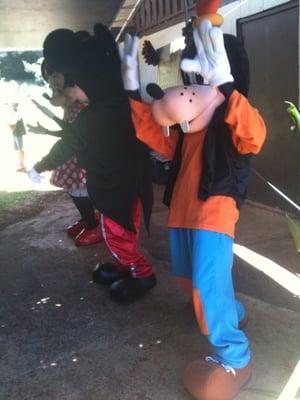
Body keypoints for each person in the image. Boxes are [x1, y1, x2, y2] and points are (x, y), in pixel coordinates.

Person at [120, 0, 266, 397]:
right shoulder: (187, 135)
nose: (189, 89)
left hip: (214, 217)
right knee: (189, 279)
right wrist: (132, 87)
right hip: (181, 216)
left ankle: (235, 358)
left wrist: (227, 85)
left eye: (201, 80)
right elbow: (152, 133)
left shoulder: (233, 126)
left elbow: (255, 134)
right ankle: (230, 312)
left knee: (205, 280)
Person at [28, 23, 156, 304]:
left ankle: (142, 273)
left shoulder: (103, 114)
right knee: (118, 232)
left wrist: (40, 166)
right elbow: (72, 142)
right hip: (116, 187)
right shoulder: (108, 108)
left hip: (118, 191)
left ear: (91, 79)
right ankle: (125, 265)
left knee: (118, 233)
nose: (70, 93)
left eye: (74, 86)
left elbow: (69, 144)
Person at [28, 60, 102, 247]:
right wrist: (46, 130)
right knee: (75, 193)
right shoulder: (72, 105)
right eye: (49, 77)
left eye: (55, 76)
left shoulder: (81, 107)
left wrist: (40, 166)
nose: (51, 83)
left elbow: (72, 140)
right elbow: (69, 132)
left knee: (80, 193)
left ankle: (94, 225)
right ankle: (88, 219)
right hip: (74, 157)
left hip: (82, 159)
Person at [8, 103, 27, 172]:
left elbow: (14, 123)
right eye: (12, 105)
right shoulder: (14, 113)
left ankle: (22, 166)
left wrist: (11, 128)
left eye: (14, 105)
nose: (13, 106)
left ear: (16, 106)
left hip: (18, 133)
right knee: (19, 149)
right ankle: (21, 164)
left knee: (21, 149)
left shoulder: (17, 113)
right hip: (15, 133)